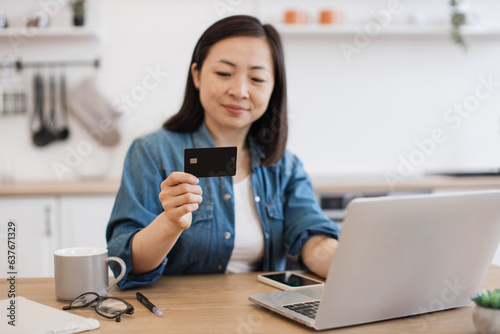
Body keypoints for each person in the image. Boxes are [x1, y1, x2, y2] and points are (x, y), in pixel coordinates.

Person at [106, 15, 340, 289]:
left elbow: (311, 234)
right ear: (197, 75)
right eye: (224, 73)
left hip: (262, 314)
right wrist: (170, 223)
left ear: (273, 88)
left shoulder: (284, 165)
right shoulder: (151, 152)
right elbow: (123, 264)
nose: (240, 91)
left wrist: (347, 261)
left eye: (257, 78)